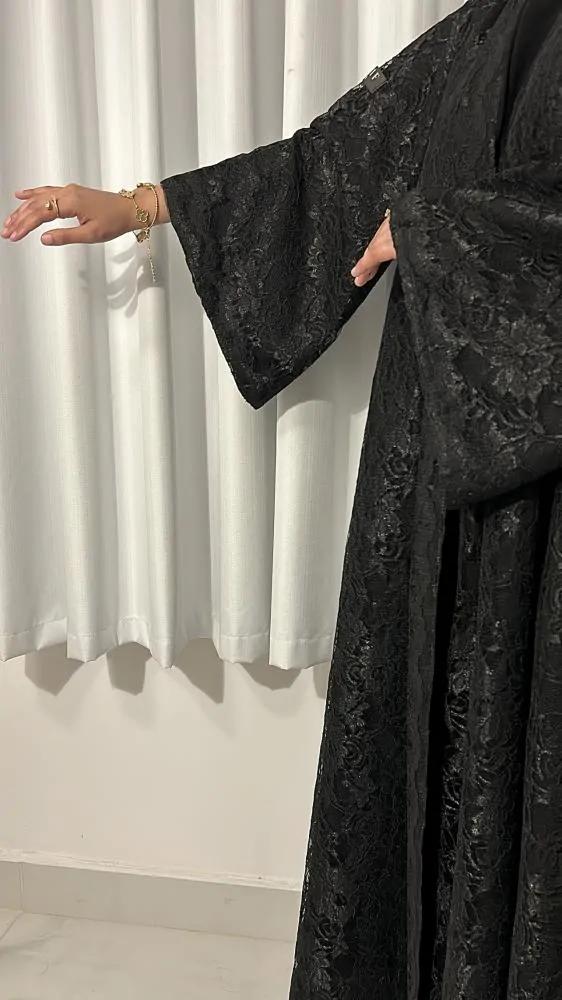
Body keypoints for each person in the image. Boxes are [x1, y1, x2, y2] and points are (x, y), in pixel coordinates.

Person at [3, 0, 562, 996]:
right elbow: (337, 159)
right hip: (435, 442)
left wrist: (445, 230)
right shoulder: (495, 21)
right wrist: (140, 206)